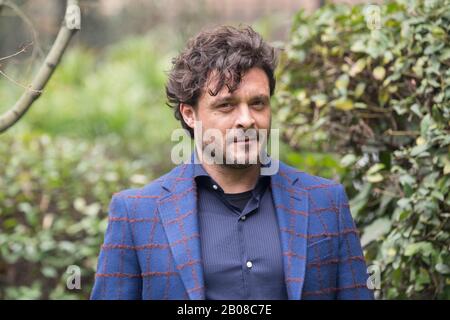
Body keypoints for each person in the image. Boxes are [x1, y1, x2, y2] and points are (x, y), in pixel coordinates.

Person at [91, 25, 373, 300]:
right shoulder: (136, 213)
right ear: (190, 114)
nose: (247, 119)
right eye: (226, 105)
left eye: (258, 103)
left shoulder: (326, 202)